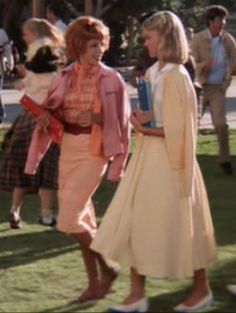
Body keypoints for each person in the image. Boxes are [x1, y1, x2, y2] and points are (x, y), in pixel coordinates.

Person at [91, 11, 217, 313]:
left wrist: (146, 128)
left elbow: (183, 129)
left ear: (165, 37)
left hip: (172, 162)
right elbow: (151, 116)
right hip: (148, 158)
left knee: (181, 224)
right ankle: (136, 295)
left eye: (148, 37)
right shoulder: (152, 73)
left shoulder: (177, 76)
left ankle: (201, 289)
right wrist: (138, 119)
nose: (143, 42)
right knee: (138, 221)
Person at [25, 16, 130, 304]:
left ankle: (108, 267)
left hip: (94, 150)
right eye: (93, 45)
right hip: (68, 147)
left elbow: (122, 123)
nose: (99, 50)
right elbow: (54, 111)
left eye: (101, 44)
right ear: (78, 45)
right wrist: (48, 117)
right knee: (83, 219)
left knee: (68, 220)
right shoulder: (63, 76)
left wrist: (98, 117)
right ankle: (95, 284)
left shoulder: (112, 79)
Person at [0, 18, 64, 229]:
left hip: (32, 115)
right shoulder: (53, 51)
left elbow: (36, 78)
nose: (24, 37)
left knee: (22, 168)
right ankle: (45, 214)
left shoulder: (39, 48)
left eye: (26, 33)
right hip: (50, 116)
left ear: (35, 33)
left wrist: (23, 78)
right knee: (48, 169)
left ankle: (15, 211)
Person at [191, 5, 236, 175]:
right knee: (193, 124)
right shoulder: (198, 39)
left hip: (218, 88)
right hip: (200, 87)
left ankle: (224, 160)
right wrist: (205, 65)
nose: (223, 23)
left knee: (220, 124)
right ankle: (188, 158)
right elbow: (191, 63)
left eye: (224, 19)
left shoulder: (228, 39)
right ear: (211, 21)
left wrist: (230, 72)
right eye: (219, 19)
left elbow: (234, 60)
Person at [0, 27, 14, 122]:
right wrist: (10, 65)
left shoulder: (1, 33)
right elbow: (8, 50)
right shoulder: (2, 33)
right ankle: (1, 113)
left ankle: (1, 113)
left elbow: (7, 50)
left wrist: (9, 64)